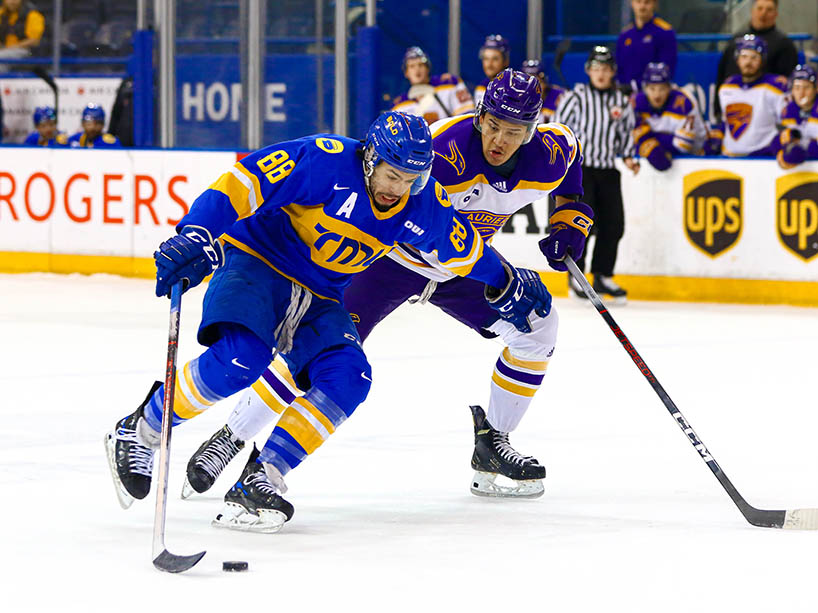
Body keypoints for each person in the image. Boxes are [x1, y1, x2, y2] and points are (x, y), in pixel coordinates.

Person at [105, 110, 556, 533]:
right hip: (258, 264)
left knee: (349, 377)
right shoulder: (323, 160)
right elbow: (242, 183)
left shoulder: (422, 202)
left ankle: (261, 478)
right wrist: (197, 232)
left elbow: (464, 249)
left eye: (410, 179)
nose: (397, 189)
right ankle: (141, 427)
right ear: (371, 159)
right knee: (243, 359)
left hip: (321, 296)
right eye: (392, 174)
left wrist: (507, 279)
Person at [179, 69, 591, 514]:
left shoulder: (550, 151)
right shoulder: (442, 150)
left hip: (462, 269)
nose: (499, 140)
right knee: (310, 358)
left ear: (531, 131)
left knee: (538, 328)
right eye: (492, 124)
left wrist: (571, 216)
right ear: (479, 114)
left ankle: (493, 444)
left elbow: (571, 164)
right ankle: (232, 437)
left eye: (513, 132)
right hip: (389, 266)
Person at [554, 46, 638, 302]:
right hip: (581, 171)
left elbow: (625, 133)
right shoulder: (575, 97)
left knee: (613, 225)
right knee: (582, 225)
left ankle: (603, 275)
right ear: (588, 71)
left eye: (606, 69)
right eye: (596, 69)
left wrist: (628, 156)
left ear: (613, 72)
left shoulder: (620, 101)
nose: (601, 74)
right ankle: (576, 275)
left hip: (608, 170)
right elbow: (559, 128)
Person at [715, 0, 798, 120]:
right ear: (752, 11)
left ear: (776, 14)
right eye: (760, 8)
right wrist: (717, 110)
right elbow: (722, 75)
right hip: (734, 108)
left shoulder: (784, 45)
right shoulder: (736, 40)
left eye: (769, 10)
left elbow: (790, 84)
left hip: (766, 114)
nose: (763, 13)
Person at [709, 35, 787, 158]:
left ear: (762, 60)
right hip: (729, 157)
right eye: (744, 56)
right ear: (737, 59)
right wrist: (717, 135)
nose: (748, 62)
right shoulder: (727, 86)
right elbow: (727, 122)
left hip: (763, 159)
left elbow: (787, 124)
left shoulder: (775, 87)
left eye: (754, 57)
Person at [631, 62, 707, 170]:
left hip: (696, 158)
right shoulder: (636, 103)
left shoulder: (684, 103)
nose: (657, 95)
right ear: (645, 89)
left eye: (661, 89)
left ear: (669, 88)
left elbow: (683, 145)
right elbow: (628, 140)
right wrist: (658, 145)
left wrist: (648, 141)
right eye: (652, 89)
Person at [390, 46, 474, 125]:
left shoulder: (449, 84)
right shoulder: (399, 105)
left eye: (421, 65)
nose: (417, 69)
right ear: (406, 73)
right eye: (412, 66)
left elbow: (467, 118)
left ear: (428, 68)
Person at [615, 0, 677, 93]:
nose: (642, 6)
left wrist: (636, 86)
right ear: (632, 3)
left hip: (652, 95)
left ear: (654, 4)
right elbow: (619, 68)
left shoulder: (665, 32)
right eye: (638, 2)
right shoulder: (625, 35)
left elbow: (667, 69)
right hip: (625, 95)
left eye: (647, 2)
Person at [776, 64, 818, 168]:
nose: (801, 93)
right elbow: (778, 142)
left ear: (816, 89)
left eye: (806, 87)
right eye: (797, 87)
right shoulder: (788, 110)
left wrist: (795, 148)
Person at [0, 0, 44, 69]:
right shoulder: (2, 13)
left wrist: (10, 48)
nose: (12, 2)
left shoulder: (32, 14)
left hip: (26, 51)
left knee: (1, 57)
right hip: (4, 50)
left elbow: (34, 41)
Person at [520, 58, 565, 123]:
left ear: (545, 83)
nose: (532, 89)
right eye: (527, 84)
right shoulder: (516, 98)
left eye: (537, 83)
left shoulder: (559, 96)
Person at [473, 34, 510, 106]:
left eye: (495, 59)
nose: (489, 64)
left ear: (506, 61)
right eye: (486, 59)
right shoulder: (482, 86)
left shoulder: (513, 87)